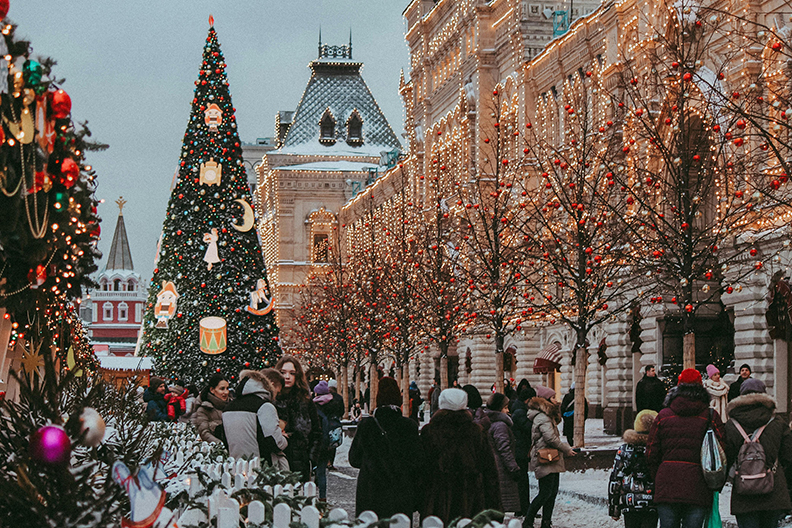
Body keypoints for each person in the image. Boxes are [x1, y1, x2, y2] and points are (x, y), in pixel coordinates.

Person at [646, 368, 723, 528]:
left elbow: (651, 452)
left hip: (667, 485)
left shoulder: (663, 416)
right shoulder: (710, 416)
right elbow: (722, 450)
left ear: (677, 388)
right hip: (698, 486)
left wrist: (658, 476)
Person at [420, 388, 501, 523]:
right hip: (471, 503)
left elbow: (422, 471)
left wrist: (421, 501)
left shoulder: (429, 432)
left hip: (437, 503)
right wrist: (495, 507)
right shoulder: (476, 432)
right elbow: (490, 472)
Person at [349, 376, 422, 518]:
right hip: (400, 491)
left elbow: (354, 459)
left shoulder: (367, 426)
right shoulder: (408, 426)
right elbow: (417, 461)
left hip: (371, 492)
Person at [723, 378, 792, 528]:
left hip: (743, 492)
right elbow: (788, 456)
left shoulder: (731, 424)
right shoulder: (778, 422)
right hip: (773, 491)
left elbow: (726, 458)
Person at [524, 386, 576, 528]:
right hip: (545, 457)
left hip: (550, 457)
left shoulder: (547, 415)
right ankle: (528, 521)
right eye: (553, 398)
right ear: (546, 400)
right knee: (545, 492)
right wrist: (566, 449)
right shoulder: (542, 417)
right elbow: (550, 438)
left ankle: (546, 522)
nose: (556, 400)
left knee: (551, 492)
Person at [222, 369, 287, 462]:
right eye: (278, 391)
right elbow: (275, 442)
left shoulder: (228, 408)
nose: (277, 395)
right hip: (261, 466)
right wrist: (284, 438)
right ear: (272, 385)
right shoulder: (264, 406)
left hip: (236, 465)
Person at [274, 355, 322, 482]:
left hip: (301, 462)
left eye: (292, 373)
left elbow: (316, 432)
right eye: (283, 372)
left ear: (297, 375)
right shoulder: (273, 400)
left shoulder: (305, 401)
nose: (287, 377)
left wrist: (311, 457)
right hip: (277, 459)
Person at [609, 410, 659, 528]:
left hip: (629, 502)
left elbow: (615, 478)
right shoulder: (658, 448)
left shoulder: (625, 449)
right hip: (652, 502)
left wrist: (614, 509)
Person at [481, 393, 522, 514]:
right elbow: (504, 449)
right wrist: (514, 468)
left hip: (493, 466)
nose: (508, 410)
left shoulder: (488, 422)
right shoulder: (500, 425)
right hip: (501, 470)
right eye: (505, 407)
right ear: (499, 408)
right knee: (501, 507)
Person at [313, 380, 342, 501]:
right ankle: (323, 497)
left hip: (317, 441)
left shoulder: (314, 405)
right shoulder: (335, 401)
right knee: (321, 471)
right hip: (328, 441)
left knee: (316, 468)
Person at [511, 382, 537, 516]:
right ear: (528, 400)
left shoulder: (520, 409)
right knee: (522, 480)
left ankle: (523, 508)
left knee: (523, 480)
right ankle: (523, 508)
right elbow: (528, 428)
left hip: (521, 449)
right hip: (520, 450)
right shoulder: (520, 412)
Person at [192, 374, 229, 444]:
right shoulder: (204, 409)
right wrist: (220, 445)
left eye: (227, 388)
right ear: (212, 390)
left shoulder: (232, 405)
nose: (226, 392)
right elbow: (204, 432)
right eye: (222, 389)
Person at [326, 379, 345, 470]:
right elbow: (342, 411)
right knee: (333, 443)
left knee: (325, 442)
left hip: (326, 422)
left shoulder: (326, 397)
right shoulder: (339, 398)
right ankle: (330, 462)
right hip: (335, 422)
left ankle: (326, 461)